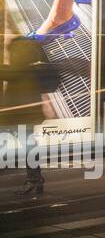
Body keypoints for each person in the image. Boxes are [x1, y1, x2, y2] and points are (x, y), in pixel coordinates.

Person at [0, 33, 59, 196]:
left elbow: (8, 72)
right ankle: (35, 179)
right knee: (28, 148)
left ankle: (34, 179)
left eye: (12, 51)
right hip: (20, 116)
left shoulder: (21, 68)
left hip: (21, 116)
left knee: (28, 148)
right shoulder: (29, 68)